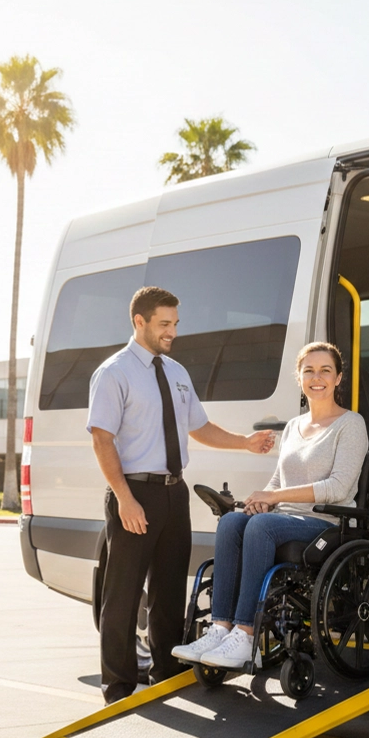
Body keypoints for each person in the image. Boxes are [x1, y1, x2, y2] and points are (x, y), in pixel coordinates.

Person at [88, 285, 275, 704]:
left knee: (170, 591)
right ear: (140, 322)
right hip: (134, 492)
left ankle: (166, 672)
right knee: (122, 593)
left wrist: (244, 442)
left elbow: (199, 427)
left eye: (175, 323)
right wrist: (124, 498)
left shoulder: (175, 372)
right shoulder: (114, 372)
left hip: (175, 494)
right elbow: (102, 440)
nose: (172, 331)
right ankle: (117, 687)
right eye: (164, 324)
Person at [173, 342, 369, 670]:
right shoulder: (293, 427)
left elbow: (338, 489)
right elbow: (277, 483)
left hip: (328, 524)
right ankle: (220, 628)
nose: (316, 377)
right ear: (299, 377)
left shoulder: (351, 425)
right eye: (308, 370)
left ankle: (246, 634)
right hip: (285, 519)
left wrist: (274, 499)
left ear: (338, 379)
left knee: (263, 525)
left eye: (325, 371)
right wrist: (259, 499)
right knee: (233, 522)